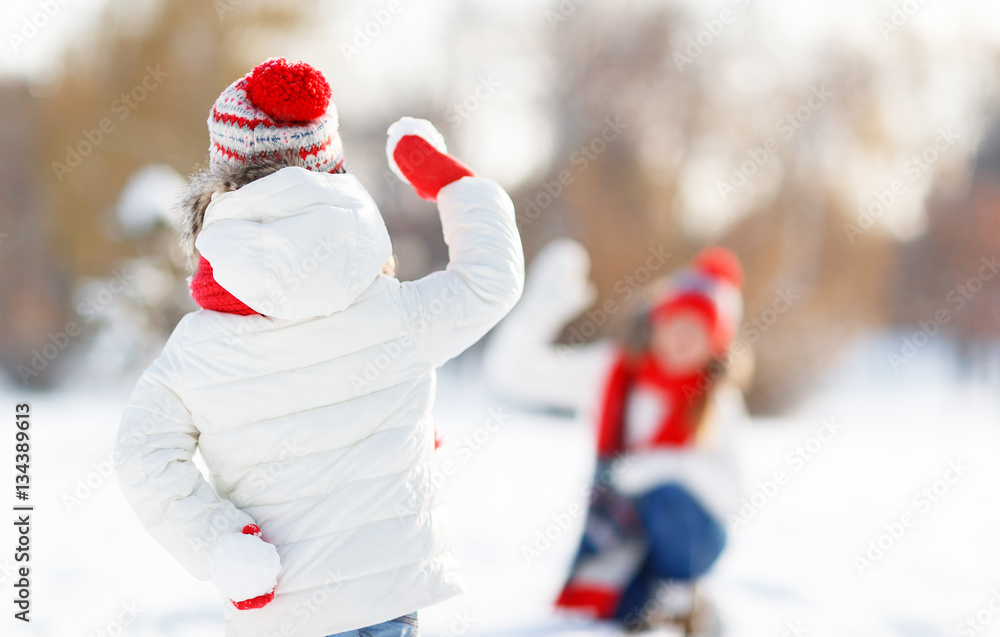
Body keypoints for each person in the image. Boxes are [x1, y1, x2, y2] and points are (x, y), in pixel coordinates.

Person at [113, 58, 524, 637]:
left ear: (220, 183)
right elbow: (490, 281)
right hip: (388, 592)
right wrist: (456, 185)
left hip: (282, 605)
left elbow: (142, 453)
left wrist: (219, 545)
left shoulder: (200, 349)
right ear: (331, 168)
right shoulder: (393, 314)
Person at [482, 239, 749, 634]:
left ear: (715, 344)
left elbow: (733, 492)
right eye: (677, 322)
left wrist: (661, 467)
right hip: (621, 535)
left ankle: (684, 595)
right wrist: (541, 309)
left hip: (693, 539)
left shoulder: (717, 400)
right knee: (615, 617)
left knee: (668, 497)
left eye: (698, 330)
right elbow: (513, 375)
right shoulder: (610, 372)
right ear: (657, 322)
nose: (683, 338)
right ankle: (666, 607)